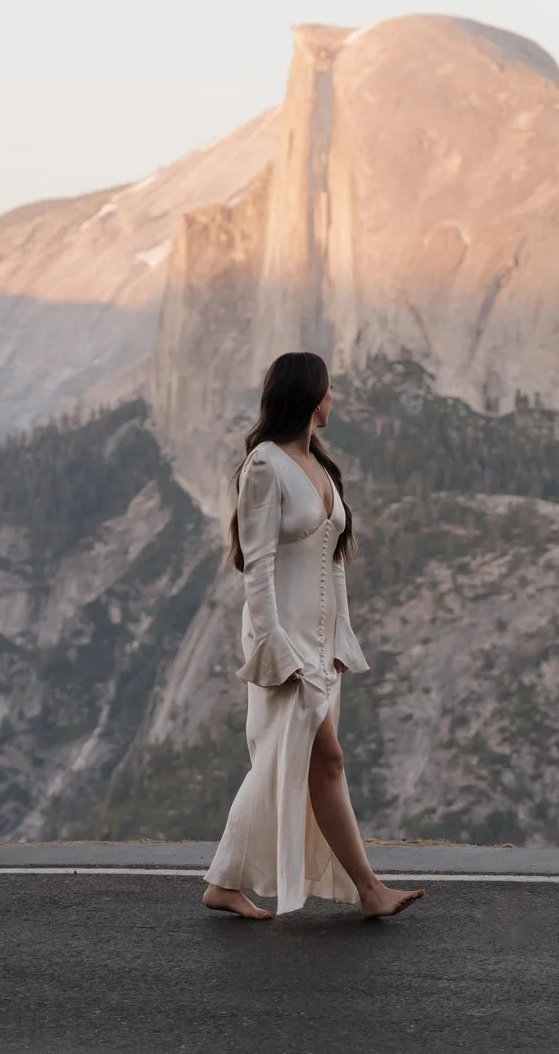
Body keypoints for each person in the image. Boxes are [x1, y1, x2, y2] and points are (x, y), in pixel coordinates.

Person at [201, 352, 424, 921]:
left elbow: (334, 561)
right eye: (328, 388)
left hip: (321, 641)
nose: (334, 397)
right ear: (308, 396)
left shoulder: (319, 466)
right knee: (323, 757)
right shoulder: (264, 465)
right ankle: (369, 889)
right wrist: (274, 647)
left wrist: (342, 637)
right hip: (283, 639)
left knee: (300, 760)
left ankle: (226, 882)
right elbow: (257, 567)